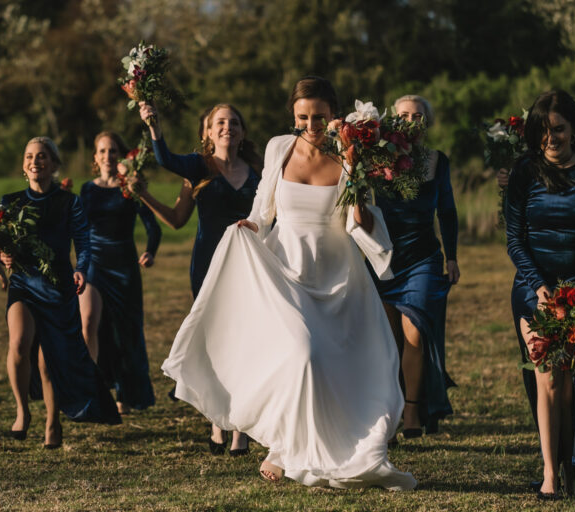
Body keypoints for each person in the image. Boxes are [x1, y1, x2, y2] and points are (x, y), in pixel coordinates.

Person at [161, 76, 417, 489]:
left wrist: (356, 178)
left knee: (337, 365)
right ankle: (283, 445)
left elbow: (362, 221)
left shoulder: (353, 154)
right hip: (287, 270)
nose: (311, 125)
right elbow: (265, 209)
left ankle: (336, 448)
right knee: (300, 352)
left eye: (319, 117)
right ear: (293, 116)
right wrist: (251, 225)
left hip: (338, 276)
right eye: (303, 117)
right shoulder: (279, 147)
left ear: (335, 116)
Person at [505, 90, 575, 498]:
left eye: (558, 129)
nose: (550, 138)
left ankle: (570, 471)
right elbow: (514, 241)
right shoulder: (524, 173)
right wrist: (539, 288)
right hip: (534, 292)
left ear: (573, 131)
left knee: (570, 384)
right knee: (546, 378)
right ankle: (551, 475)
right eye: (542, 131)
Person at [137, 102, 261, 456]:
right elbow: (164, 160)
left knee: (244, 344)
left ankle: (240, 428)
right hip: (208, 265)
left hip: (249, 265)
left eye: (234, 122)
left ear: (242, 131)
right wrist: (153, 125)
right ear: (207, 132)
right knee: (217, 344)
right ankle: (217, 421)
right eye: (219, 122)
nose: (227, 127)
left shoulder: (257, 169)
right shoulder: (197, 166)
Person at [0, 136, 120, 448]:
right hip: (23, 282)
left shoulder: (70, 201)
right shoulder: (10, 202)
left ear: (53, 164)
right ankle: (22, 411)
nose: (35, 162)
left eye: (41, 157)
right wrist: (2, 256)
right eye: (29, 157)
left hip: (58, 287)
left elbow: (83, 240)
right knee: (18, 342)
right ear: (23, 164)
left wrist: (81, 267)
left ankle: (53, 422)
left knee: (47, 359)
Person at [372, 95, 459, 438]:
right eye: (404, 115)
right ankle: (389, 409)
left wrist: (451, 256)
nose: (411, 121)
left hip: (423, 256)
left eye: (418, 116)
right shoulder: (377, 159)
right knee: (388, 339)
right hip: (383, 257)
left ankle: (411, 410)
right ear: (393, 121)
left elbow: (448, 211)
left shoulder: (438, 161)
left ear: (427, 122)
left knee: (414, 333)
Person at [79, 131, 161, 414]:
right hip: (94, 263)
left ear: (121, 155)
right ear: (95, 157)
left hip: (124, 265)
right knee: (88, 322)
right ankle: (91, 390)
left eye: (112, 150)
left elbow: (153, 226)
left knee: (124, 331)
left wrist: (150, 251)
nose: (107, 156)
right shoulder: (87, 190)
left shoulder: (130, 188)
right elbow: (77, 229)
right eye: (102, 151)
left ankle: (125, 392)